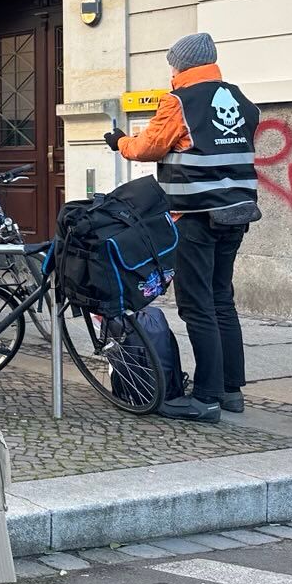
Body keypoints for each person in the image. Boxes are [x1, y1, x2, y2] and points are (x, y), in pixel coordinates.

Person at [107, 32, 260, 422]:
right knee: (222, 299)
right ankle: (231, 391)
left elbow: (148, 148)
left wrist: (121, 141)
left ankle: (205, 398)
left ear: (183, 65)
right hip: (238, 213)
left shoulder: (178, 101)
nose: (170, 70)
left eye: (172, 63)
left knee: (197, 306)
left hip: (194, 216)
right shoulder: (242, 101)